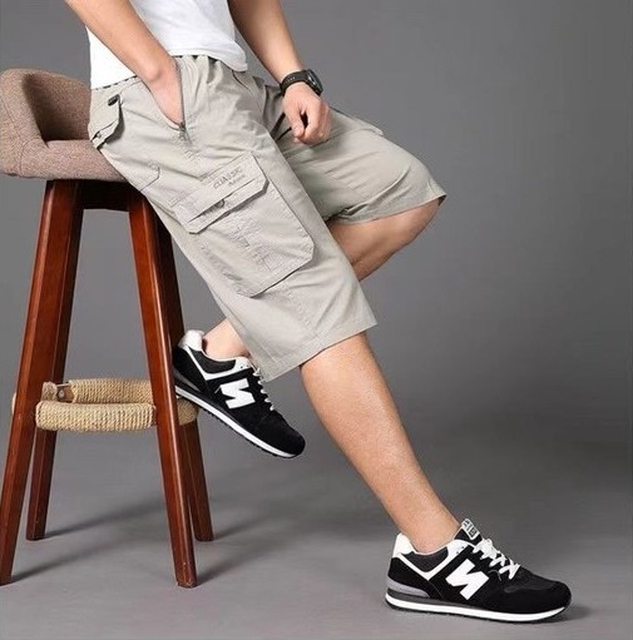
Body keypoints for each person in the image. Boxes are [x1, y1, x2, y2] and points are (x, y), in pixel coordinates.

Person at [66, 0, 572, 622]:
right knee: (318, 307)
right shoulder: (160, 80)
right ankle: (433, 552)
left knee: (401, 194)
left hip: (233, 85)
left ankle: (218, 355)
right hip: (162, 92)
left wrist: (294, 78)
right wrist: (158, 74)